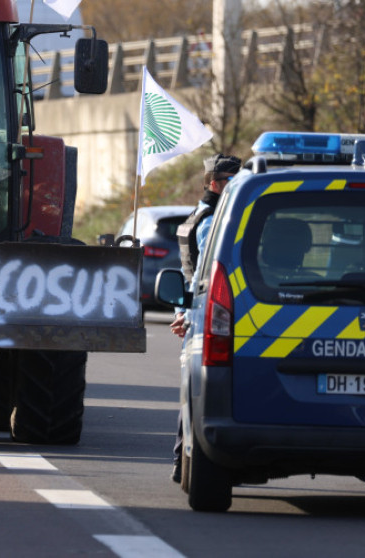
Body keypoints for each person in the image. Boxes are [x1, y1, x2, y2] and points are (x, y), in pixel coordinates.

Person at [169, 153, 242, 483]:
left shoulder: (198, 214)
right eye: (231, 180)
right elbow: (201, 274)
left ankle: (182, 461)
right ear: (214, 183)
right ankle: (185, 461)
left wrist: (182, 310)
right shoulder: (213, 221)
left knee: (194, 389)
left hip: (194, 312)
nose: (236, 185)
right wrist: (187, 314)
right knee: (201, 392)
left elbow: (186, 274)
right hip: (204, 314)